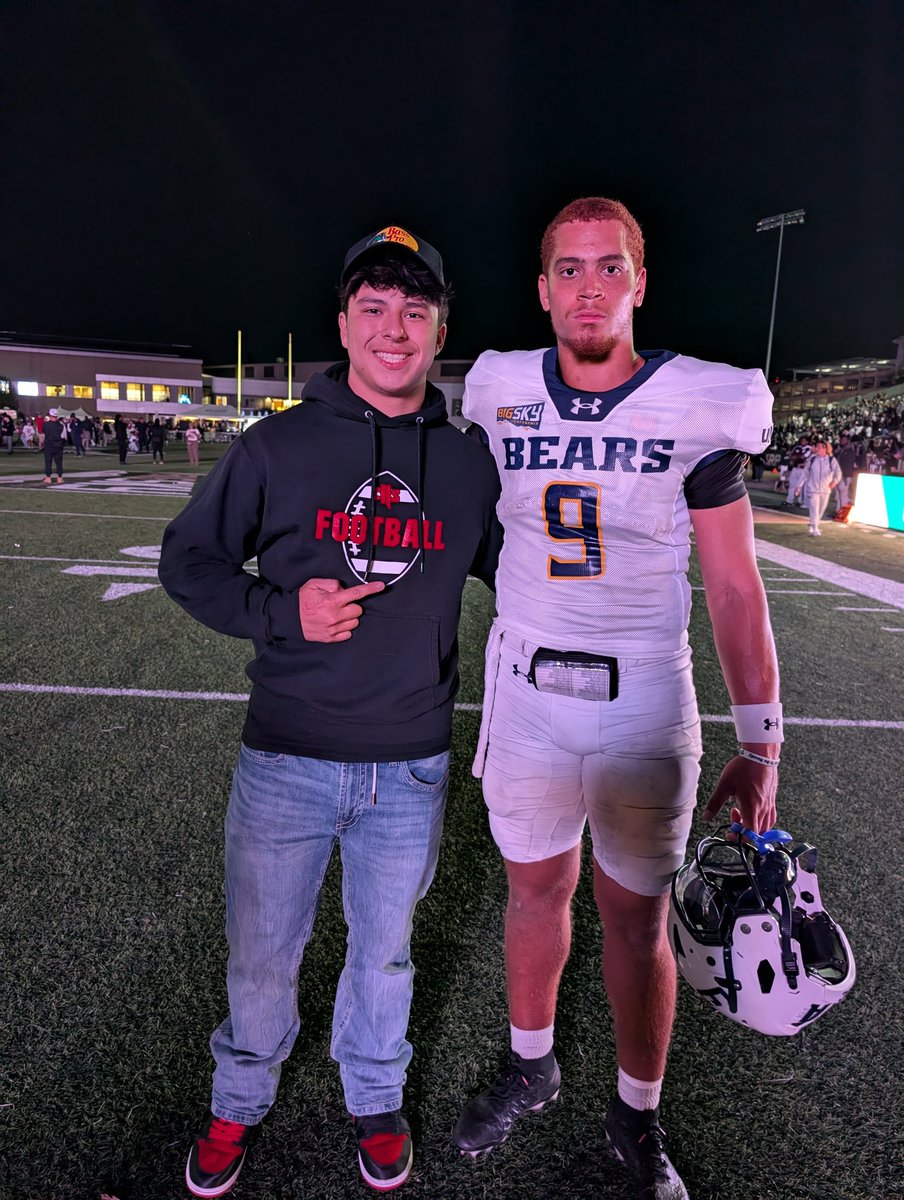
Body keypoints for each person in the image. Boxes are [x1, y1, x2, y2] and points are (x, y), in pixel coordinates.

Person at [158, 225, 502, 1198]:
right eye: (374, 307)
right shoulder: (276, 446)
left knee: (383, 956)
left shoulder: (470, 464)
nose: (395, 328)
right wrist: (281, 609)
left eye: (416, 309)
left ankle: (374, 1096)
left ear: (440, 329)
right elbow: (188, 561)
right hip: (287, 760)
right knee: (263, 957)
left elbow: (526, 577)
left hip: (411, 764)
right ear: (344, 323)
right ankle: (238, 1100)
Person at [455, 197, 782, 1200]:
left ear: (639, 282)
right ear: (540, 286)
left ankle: (635, 1116)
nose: (587, 285)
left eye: (608, 266)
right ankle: (531, 1060)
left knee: (635, 921)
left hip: (643, 691)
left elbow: (731, 584)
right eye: (567, 268)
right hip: (523, 686)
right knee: (533, 891)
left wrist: (762, 739)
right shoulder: (498, 384)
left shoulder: (697, 402)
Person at [804, 439, 841, 535]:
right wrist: (798, 487)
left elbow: (838, 472)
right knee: (814, 508)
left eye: (819, 447)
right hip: (813, 489)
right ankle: (815, 527)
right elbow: (805, 474)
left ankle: (813, 524)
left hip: (825, 489)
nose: (817, 448)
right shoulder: (812, 459)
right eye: (817, 447)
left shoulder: (831, 460)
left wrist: (835, 481)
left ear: (825, 449)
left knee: (820, 510)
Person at [42, 408, 65, 483]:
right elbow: (63, 436)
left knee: (48, 461)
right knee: (59, 462)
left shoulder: (46, 424)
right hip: (58, 445)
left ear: (50, 415)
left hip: (49, 445)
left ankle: (48, 477)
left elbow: (44, 431)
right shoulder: (61, 425)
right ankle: (60, 477)